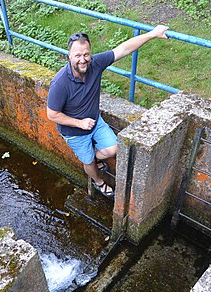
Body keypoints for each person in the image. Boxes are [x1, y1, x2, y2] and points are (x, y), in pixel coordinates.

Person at [47, 25, 169, 197]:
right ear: (69, 56)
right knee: (88, 162)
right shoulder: (60, 84)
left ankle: (93, 158)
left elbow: (124, 49)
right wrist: (79, 123)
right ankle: (98, 181)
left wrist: (153, 34)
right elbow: (52, 114)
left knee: (113, 149)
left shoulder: (95, 64)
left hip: (95, 122)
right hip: (74, 132)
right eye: (78, 55)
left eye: (86, 54)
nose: (83, 60)